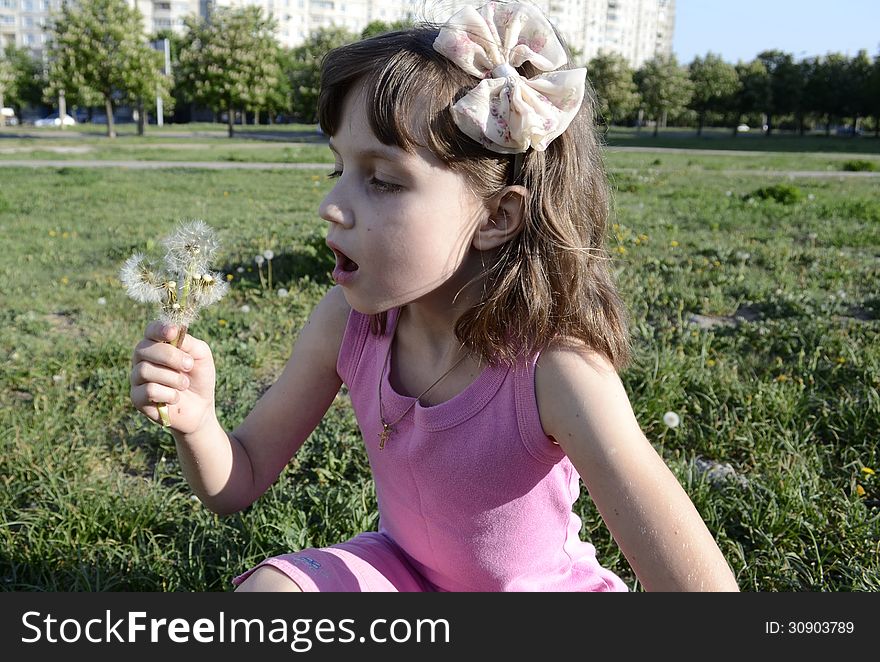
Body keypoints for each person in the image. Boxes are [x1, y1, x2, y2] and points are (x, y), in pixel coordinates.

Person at [129, 2, 739, 592]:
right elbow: (240, 482)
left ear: (497, 216)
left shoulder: (557, 373)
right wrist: (197, 422)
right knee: (271, 594)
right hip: (403, 574)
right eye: (337, 168)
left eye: (384, 180)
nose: (331, 206)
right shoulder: (345, 324)